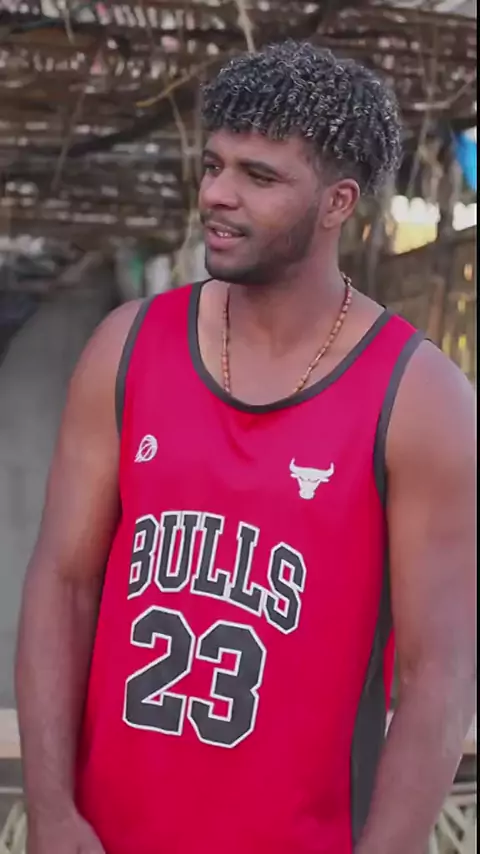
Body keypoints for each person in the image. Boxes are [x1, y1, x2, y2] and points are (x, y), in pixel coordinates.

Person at [16, 40, 475, 854]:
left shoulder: (419, 399)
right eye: (214, 165)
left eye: (259, 177)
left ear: (337, 203)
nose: (218, 195)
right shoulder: (127, 348)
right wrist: (52, 811)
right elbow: (63, 584)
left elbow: (437, 673)